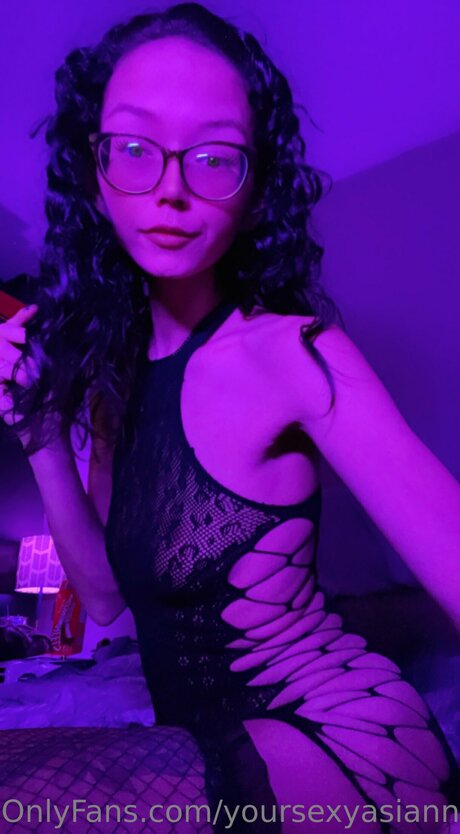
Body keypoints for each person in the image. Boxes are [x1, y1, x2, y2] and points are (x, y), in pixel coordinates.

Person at [1, 3, 459, 832]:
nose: (171, 188)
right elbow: (101, 598)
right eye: (134, 148)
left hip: (347, 740)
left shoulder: (292, 354)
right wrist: (38, 438)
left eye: (214, 157)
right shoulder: (114, 384)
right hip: (209, 742)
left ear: (253, 189)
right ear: (93, 167)